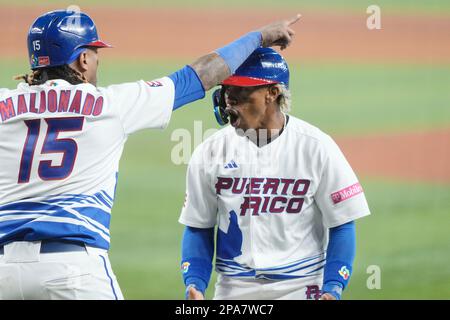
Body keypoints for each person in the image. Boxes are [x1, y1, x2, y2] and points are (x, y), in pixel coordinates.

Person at [0, 9, 301, 300]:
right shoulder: (112, 105)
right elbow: (199, 76)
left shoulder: (3, 106)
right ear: (82, 59)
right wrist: (259, 36)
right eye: (94, 54)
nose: (96, 62)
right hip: (74, 271)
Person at [179, 47, 371, 300]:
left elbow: (342, 222)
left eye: (242, 91)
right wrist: (195, 282)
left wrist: (333, 287)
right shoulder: (210, 152)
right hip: (233, 289)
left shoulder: (316, 147)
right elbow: (198, 226)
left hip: (302, 287)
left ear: (273, 92)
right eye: (227, 90)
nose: (229, 101)